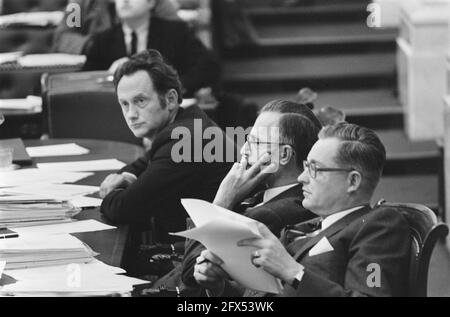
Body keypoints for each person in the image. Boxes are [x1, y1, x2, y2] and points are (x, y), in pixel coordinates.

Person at [194, 122, 412, 297]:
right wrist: (219, 287)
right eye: (306, 166)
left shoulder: (380, 227)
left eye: (314, 169)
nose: (301, 178)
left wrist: (293, 271)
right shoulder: (305, 228)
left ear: (353, 181)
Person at [181, 100, 321, 291]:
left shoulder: (272, 215)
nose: (244, 150)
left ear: (284, 155)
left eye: (254, 143)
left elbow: (190, 272)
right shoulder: (259, 191)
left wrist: (222, 202)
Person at [99, 49, 232, 244]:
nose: (131, 114)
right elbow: (141, 165)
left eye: (140, 101)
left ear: (170, 99)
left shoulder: (186, 140)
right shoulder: (186, 123)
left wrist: (114, 191)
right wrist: (126, 178)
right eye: (124, 104)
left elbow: (122, 209)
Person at [82, 0, 220, 97]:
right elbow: (86, 79)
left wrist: (170, 87)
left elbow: (209, 66)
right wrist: (108, 75)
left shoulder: (176, 32)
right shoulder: (102, 40)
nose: (124, 1)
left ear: (151, 2)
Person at [52, 0, 180, 54]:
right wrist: (96, 45)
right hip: (99, 66)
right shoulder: (80, 4)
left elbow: (178, 34)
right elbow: (64, 37)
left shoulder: (156, 2)